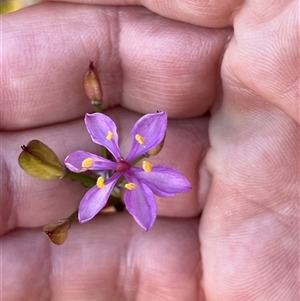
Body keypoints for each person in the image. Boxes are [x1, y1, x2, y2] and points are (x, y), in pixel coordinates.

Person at [1, 1, 298, 300]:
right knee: (104, 173)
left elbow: (160, 174)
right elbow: (86, 168)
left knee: (118, 168)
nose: (119, 165)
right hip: (115, 186)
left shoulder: (139, 148)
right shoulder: (95, 166)